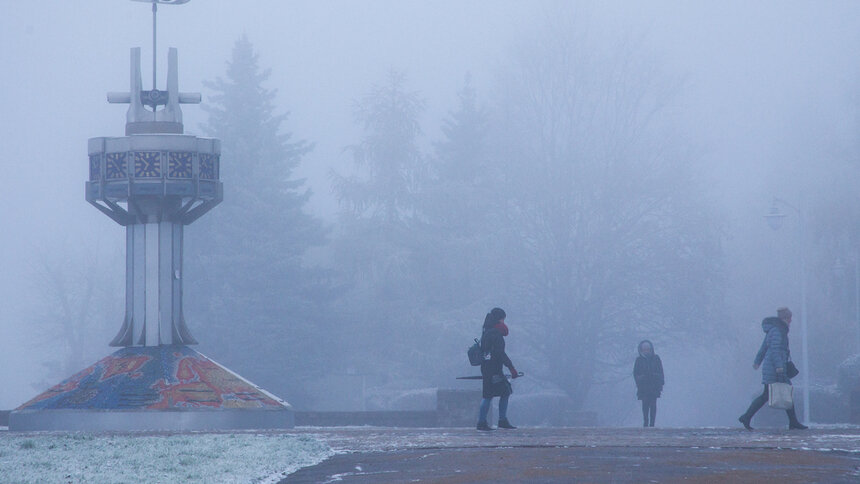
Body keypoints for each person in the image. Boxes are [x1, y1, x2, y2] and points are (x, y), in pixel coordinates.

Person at [738, 307, 808, 430]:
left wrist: (757, 361)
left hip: (773, 367)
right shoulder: (778, 330)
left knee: (778, 393)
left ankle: (792, 421)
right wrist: (779, 367)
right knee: (773, 394)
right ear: (784, 318)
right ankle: (747, 417)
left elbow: (764, 346)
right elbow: (775, 350)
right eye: (789, 318)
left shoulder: (775, 329)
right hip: (775, 368)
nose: (791, 320)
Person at [476, 307, 519, 431]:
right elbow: (500, 353)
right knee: (505, 392)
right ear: (499, 320)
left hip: (486, 368)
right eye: (503, 319)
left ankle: (482, 421)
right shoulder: (496, 334)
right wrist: (511, 368)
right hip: (495, 370)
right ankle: (501, 420)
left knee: (487, 395)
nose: (504, 322)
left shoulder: (486, 332)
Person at [633, 340, 664, 427]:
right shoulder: (638, 360)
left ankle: (652, 424)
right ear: (641, 350)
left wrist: (659, 381)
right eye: (644, 349)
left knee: (653, 404)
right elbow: (635, 373)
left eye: (648, 349)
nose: (646, 351)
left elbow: (661, 372)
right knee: (645, 404)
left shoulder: (656, 358)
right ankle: (645, 422)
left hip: (654, 386)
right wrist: (641, 378)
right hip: (644, 386)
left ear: (651, 349)